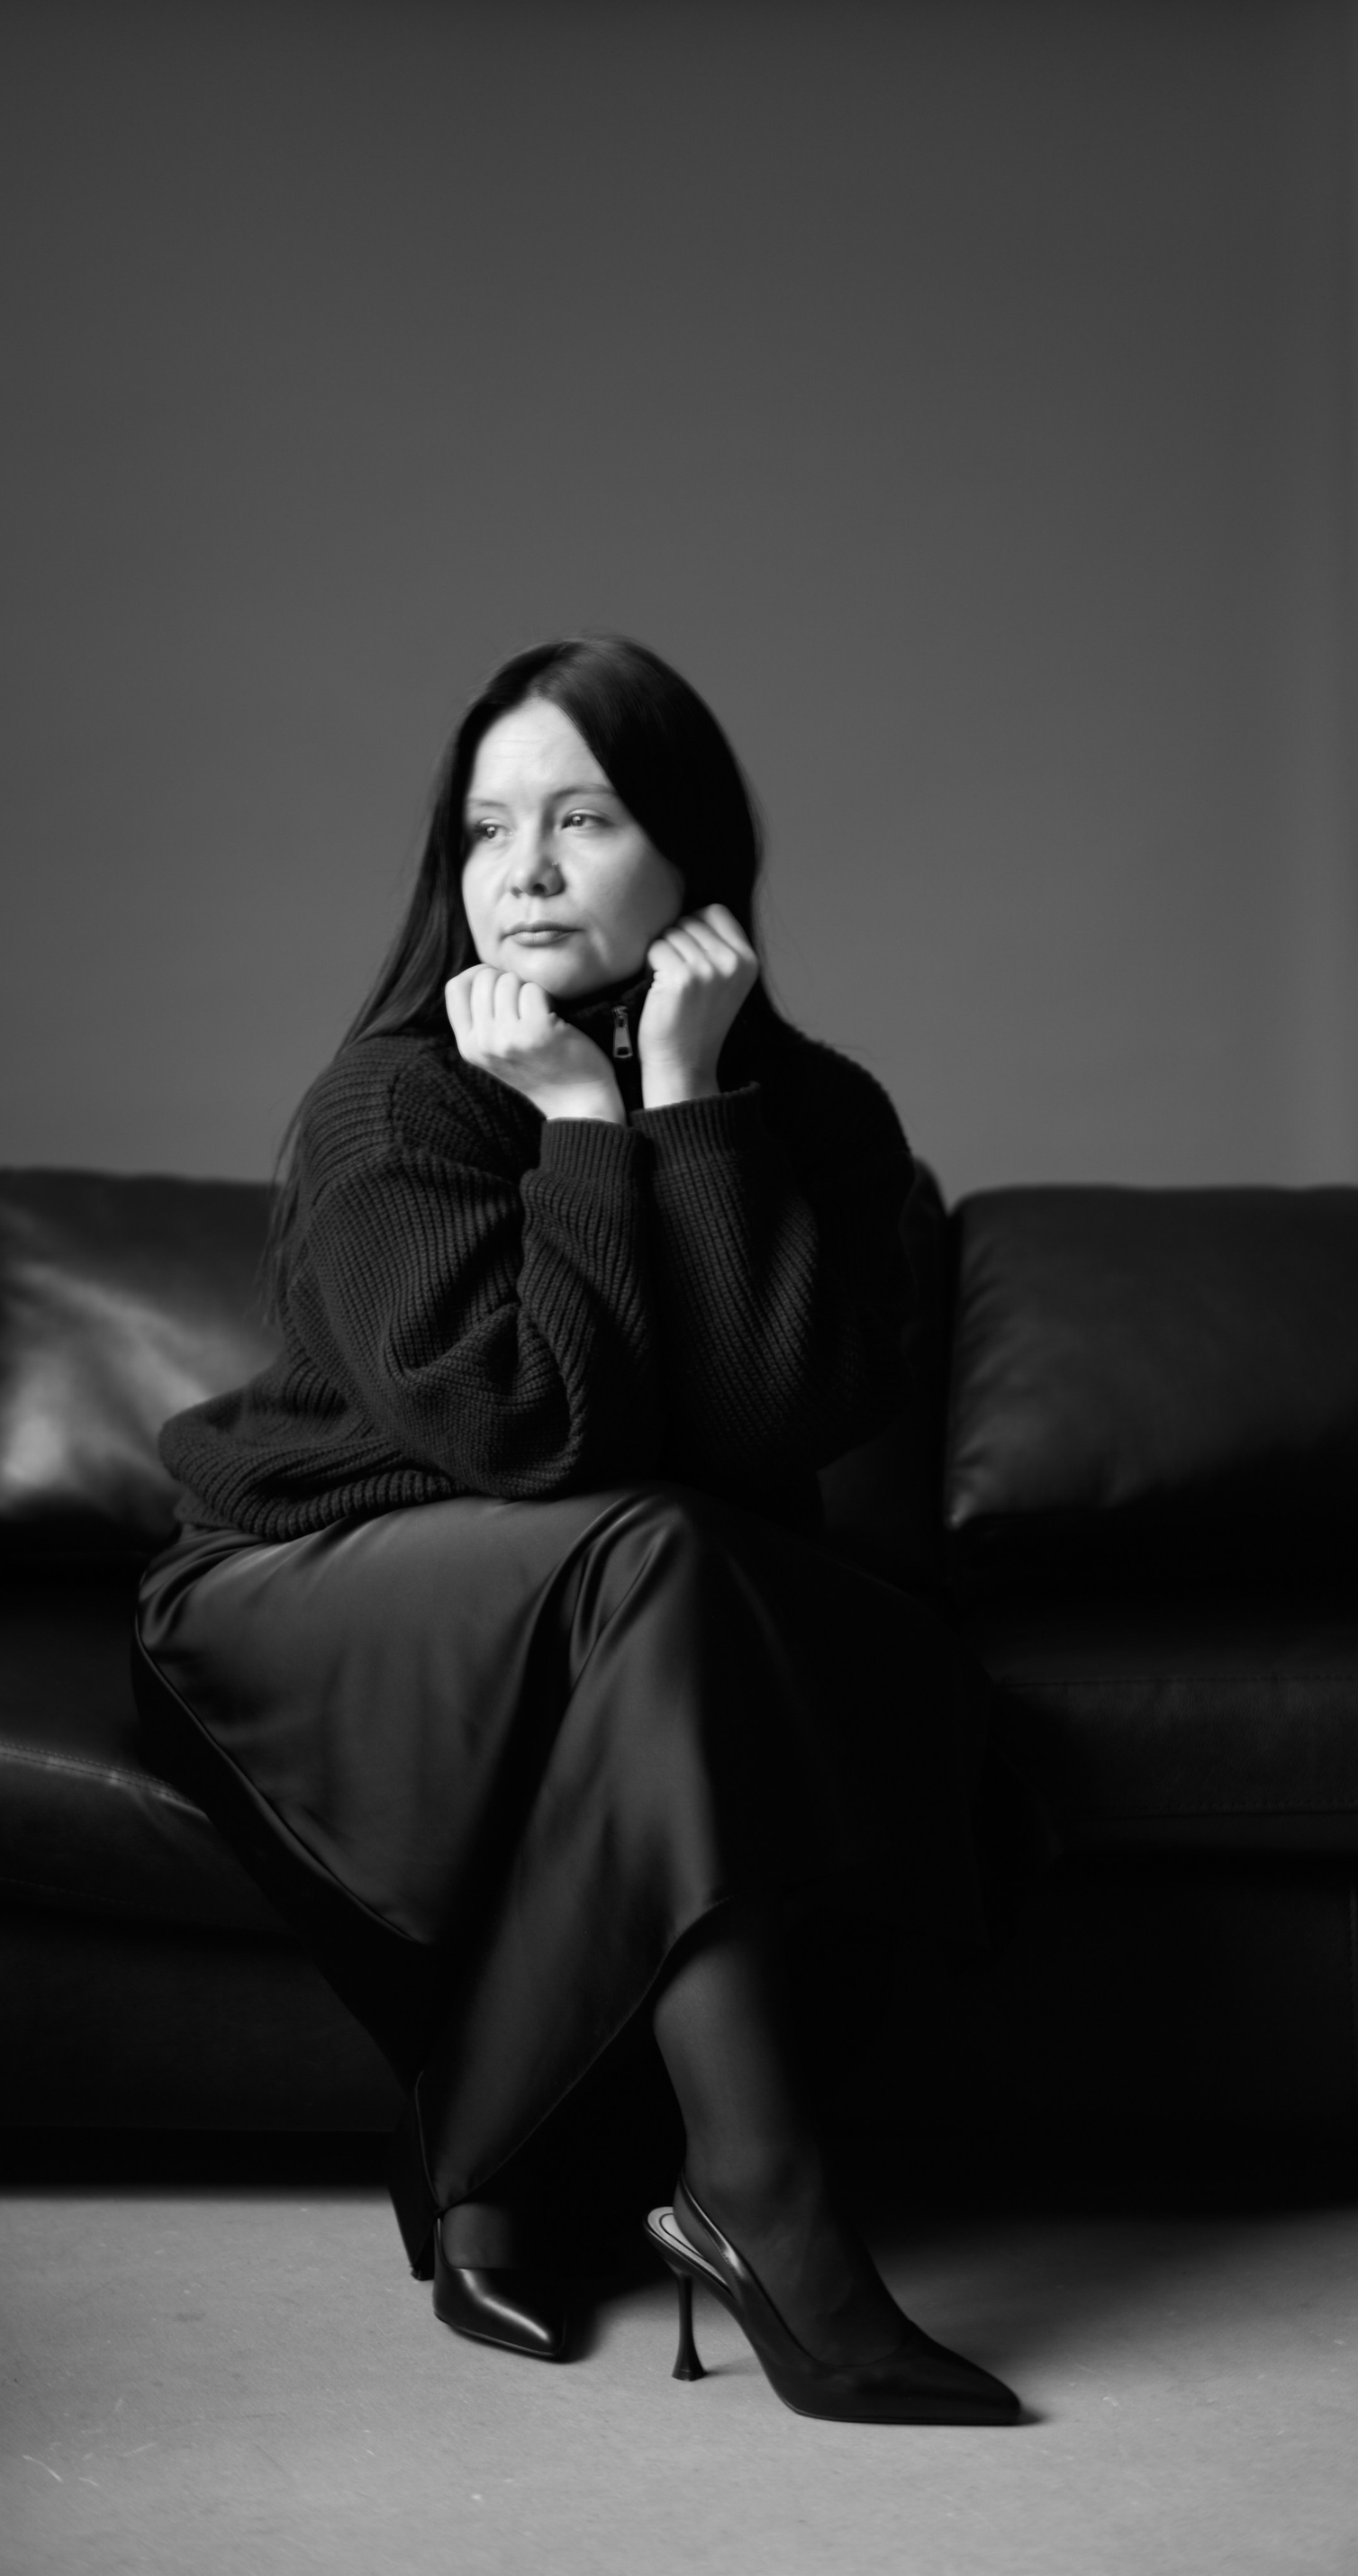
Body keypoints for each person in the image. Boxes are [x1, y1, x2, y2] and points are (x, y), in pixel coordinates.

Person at [133, 636, 1019, 2426]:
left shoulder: (824, 1117)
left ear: (693, 856)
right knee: (656, 1551)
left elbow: (773, 1432)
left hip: (621, 1601)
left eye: (585, 819)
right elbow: (531, 1438)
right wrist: (578, 1126)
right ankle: (767, 2209)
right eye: (486, 829)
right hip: (317, 1595)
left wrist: (688, 1100)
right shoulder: (397, 1099)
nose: (522, 872)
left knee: (672, 1570)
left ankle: (492, 2168)